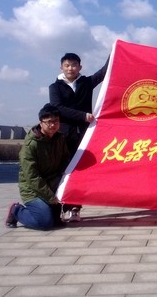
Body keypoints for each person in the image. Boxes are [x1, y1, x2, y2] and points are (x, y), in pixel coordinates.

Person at [48, 52, 108, 222]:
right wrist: (83, 116)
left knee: (79, 172)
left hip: (83, 136)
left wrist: (115, 50)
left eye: (74, 65)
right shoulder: (55, 87)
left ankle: (75, 208)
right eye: (67, 65)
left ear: (80, 67)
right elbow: (57, 108)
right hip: (62, 136)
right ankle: (58, 207)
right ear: (61, 67)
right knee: (62, 171)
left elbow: (104, 72)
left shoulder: (86, 83)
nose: (70, 68)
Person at [5, 104, 69, 231]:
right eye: (49, 122)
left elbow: (65, 160)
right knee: (44, 222)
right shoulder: (31, 145)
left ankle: (51, 210)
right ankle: (16, 211)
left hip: (52, 185)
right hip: (32, 189)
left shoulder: (59, 139)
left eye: (56, 121)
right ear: (41, 123)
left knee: (60, 212)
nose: (53, 125)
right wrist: (50, 197)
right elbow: (32, 177)